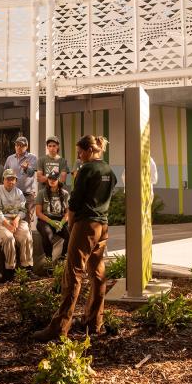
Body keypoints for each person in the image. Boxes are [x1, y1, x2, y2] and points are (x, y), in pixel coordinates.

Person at [33, 135, 116, 342]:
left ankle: (60, 326)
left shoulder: (87, 169)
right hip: (102, 225)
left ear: (89, 150)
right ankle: (94, 321)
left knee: (73, 274)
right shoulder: (108, 170)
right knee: (97, 274)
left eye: (80, 152)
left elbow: (75, 201)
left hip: (85, 224)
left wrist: (71, 222)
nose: (78, 156)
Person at [0, 169, 33, 281]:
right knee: (8, 237)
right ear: (3, 180)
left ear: (16, 180)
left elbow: (23, 210)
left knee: (26, 236)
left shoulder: (18, 192)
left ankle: (27, 269)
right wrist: (7, 225)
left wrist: (17, 220)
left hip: (15, 220)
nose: (10, 182)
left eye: (13, 179)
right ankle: (10, 270)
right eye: (8, 179)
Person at [35, 170, 70, 260]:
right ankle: (49, 260)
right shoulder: (41, 193)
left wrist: (61, 223)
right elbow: (38, 213)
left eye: (54, 179)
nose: (52, 181)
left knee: (71, 234)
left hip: (60, 220)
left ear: (58, 180)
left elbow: (68, 212)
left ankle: (63, 257)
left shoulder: (65, 193)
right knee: (47, 234)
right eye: (50, 178)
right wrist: (51, 222)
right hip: (45, 220)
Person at [4, 136, 38, 225]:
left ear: (26, 147)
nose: (19, 147)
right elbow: (5, 174)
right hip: (13, 194)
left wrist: (27, 168)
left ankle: (29, 239)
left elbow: (31, 173)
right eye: (17, 145)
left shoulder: (32, 157)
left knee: (26, 221)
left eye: (21, 145)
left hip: (28, 194)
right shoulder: (10, 158)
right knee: (13, 220)